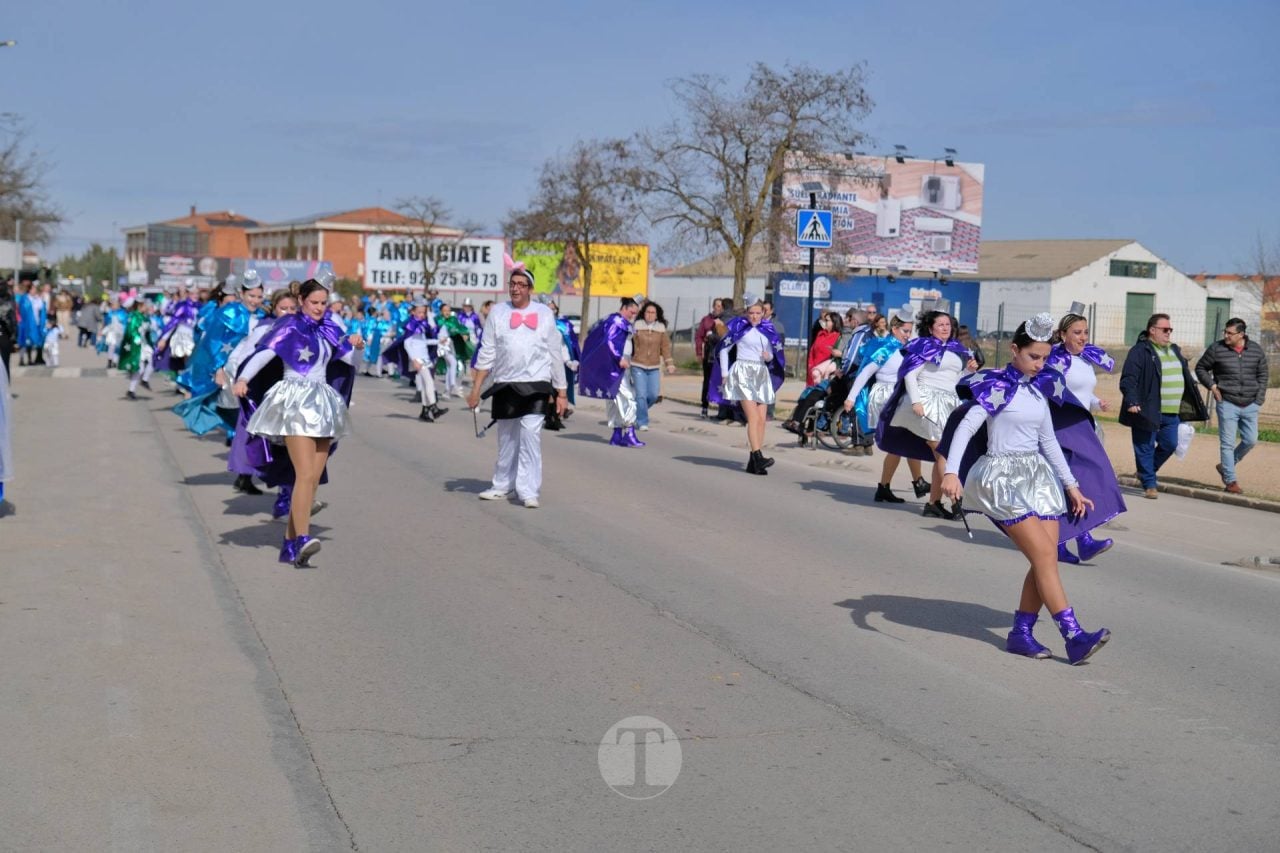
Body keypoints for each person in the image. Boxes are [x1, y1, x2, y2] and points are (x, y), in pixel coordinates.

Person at [939, 313, 1109, 664]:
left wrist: (1072, 486)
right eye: (1033, 356)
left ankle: (1021, 633)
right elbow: (967, 427)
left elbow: (1048, 441)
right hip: (1001, 478)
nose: (1039, 364)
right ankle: (1073, 636)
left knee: (1045, 557)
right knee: (1045, 555)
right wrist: (951, 473)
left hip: (1038, 478)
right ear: (1014, 350)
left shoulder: (1038, 389)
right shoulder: (996, 386)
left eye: (1045, 358)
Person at [233, 277, 364, 567]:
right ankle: (303, 537)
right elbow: (265, 353)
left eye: (323, 303)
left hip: (322, 403)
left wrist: (357, 346)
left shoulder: (330, 328)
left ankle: (290, 545)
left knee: (313, 479)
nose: (319, 308)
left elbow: (352, 363)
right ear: (302, 300)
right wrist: (243, 378)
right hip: (294, 401)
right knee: (304, 474)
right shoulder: (289, 326)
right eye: (314, 302)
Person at [466, 262, 568, 508]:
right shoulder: (498, 312)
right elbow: (487, 351)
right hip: (506, 384)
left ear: (530, 289)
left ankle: (528, 490)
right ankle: (503, 485)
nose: (515, 288)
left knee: (530, 434)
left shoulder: (544, 313)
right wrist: (476, 389)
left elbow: (555, 352)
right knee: (507, 439)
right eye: (512, 284)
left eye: (521, 285)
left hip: (536, 384)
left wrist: (561, 391)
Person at [877, 306, 978, 518]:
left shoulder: (956, 349)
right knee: (942, 451)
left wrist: (968, 371)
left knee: (943, 452)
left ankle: (933, 503)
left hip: (948, 403)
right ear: (931, 328)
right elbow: (910, 375)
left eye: (948, 324)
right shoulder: (924, 346)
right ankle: (956, 500)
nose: (945, 328)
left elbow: (954, 380)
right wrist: (916, 401)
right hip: (925, 401)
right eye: (940, 325)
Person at [1045, 307, 1126, 564]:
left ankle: (1079, 539)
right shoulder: (1054, 360)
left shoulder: (1083, 360)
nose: (1083, 337)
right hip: (1061, 427)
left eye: (1086, 332)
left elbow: (1081, 392)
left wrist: (1095, 401)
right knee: (1068, 483)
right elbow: (1051, 391)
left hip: (1083, 426)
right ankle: (1069, 541)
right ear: (1062, 335)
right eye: (1077, 332)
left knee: (1082, 481)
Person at [1118, 313, 1208, 498]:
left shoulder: (1174, 350)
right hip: (1147, 408)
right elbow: (1128, 379)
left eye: (1170, 330)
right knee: (1145, 446)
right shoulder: (1140, 351)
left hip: (1171, 411)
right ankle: (1150, 484)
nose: (1168, 333)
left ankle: (1146, 472)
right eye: (1165, 329)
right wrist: (1132, 401)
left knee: (1170, 444)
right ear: (1152, 330)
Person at [843, 307, 928, 502]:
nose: (908, 335)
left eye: (910, 331)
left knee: (903, 441)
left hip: (901, 397)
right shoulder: (886, 348)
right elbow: (865, 372)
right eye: (905, 331)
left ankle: (892, 486)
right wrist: (851, 398)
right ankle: (915, 482)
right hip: (886, 398)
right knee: (903, 440)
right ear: (895, 329)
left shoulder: (907, 348)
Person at [226, 287, 301, 507]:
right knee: (266, 441)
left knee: (292, 445)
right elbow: (248, 357)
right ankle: (250, 476)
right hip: (266, 391)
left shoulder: (303, 329)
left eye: (293, 308)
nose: (288, 313)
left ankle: (286, 494)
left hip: (294, 394)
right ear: (274, 309)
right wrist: (243, 381)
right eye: (283, 308)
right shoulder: (265, 329)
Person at [174, 272, 266, 437]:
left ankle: (239, 439)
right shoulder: (229, 313)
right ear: (242, 294)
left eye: (259, 297)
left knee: (249, 410)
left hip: (252, 369)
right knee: (232, 408)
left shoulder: (262, 315)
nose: (255, 300)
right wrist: (218, 369)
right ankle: (235, 437)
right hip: (230, 368)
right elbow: (214, 341)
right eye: (251, 296)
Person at [709, 301, 785, 474]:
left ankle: (754, 462)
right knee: (753, 417)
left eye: (758, 313)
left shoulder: (767, 330)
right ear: (747, 313)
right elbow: (724, 349)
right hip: (743, 372)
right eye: (751, 313)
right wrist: (725, 374)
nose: (754, 316)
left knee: (762, 419)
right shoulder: (740, 328)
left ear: (763, 313)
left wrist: (768, 356)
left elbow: (771, 354)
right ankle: (758, 456)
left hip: (761, 374)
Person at [1195, 318, 1269, 494]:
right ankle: (1230, 481)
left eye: (1230, 333)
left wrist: (1259, 399)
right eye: (1225, 332)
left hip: (1251, 403)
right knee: (1227, 444)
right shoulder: (1216, 349)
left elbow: (1263, 374)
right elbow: (1201, 368)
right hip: (1227, 402)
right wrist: (1212, 386)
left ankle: (1225, 466)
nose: (1226, 336)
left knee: (1251, 440)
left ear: (1241, 334)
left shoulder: (1256, 350)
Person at [579, 297, 644, 447]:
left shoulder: (619, 321)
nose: (633, 315)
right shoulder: (616, 321)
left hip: (618, 365)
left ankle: (616, 434)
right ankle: (629, 432)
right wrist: (619, 358)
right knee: (628, 398)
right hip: (616, 366)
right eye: (632, 312)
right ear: (625, 307)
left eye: (635, 313)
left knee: (614, 399)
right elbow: (609, 342)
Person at [381, 299, 448, 422]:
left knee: (425, 384)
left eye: (423, 312)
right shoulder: (411, 325)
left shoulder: (421, 324)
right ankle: (433, 407)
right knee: (429, 381)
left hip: (424, 357)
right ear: (413, 312)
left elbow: (423, 342)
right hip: (417, 358)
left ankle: (425, 411)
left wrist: (438, 341)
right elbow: (407, 344)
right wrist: (414, 360)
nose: (422, 314)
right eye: (419, 312)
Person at [629, 301, 676, 431]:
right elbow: (628, 343)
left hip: (654, 367)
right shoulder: (636, 326)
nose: (650, 315)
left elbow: (665, 348)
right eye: (648, 312)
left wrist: (669, 364)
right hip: (637, 364)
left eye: (653, 313)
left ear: (656, 315)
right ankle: (642, 421)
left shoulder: (661, 329)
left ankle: (636, 412)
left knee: (653, 395)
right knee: (641, 395)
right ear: (644, 313)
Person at [695, 298, 725, 419]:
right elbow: (699, 337)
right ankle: (704, 406)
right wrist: (699, 352)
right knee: (707, 381)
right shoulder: (706, 320)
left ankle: (721, 409)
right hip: (709, 355)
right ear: (713, 306)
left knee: (721, 381)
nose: (719, 308)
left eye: (721, 306)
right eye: (717, 305)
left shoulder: (725, 320)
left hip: (721, 356)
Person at [807, 312, 840, 387]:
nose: (824, 322)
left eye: (827, 320)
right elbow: (812, 350)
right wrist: (810, 364)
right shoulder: (820, 334)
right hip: (813, 370)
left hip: (826, 372)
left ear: (834, 322)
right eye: (824, 320)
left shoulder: (838, 337)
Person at [0, 280, 15, 380]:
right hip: (5, 333)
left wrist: (14, 336)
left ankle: (5, 383)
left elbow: (12, 319)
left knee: (5, 361)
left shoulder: (9, 299)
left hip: (5, 333)